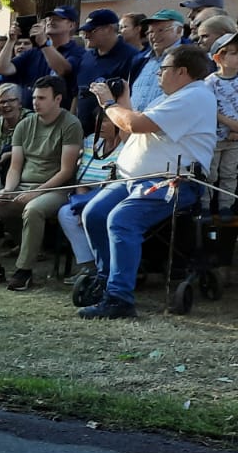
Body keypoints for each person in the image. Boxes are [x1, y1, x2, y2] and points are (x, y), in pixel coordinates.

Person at [79, 45, 216, 319]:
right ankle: (106, 279)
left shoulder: (195, 96)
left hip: (174, 182)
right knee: (94, 213)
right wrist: (123, 101)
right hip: (136, 179)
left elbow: (136, 124)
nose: (158, 75)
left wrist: (109, 104)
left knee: (122, 219)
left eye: (163, 69)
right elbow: (132, 132)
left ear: (181, 72)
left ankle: (119, 298)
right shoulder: (171, 98)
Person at [0, 75, 83, 291]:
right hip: (22, 186)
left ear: (57, 99)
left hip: (57, 189)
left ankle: (24, 270)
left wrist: (36, 192)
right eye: (35, 97)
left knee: (33, 209)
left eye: (42, 98)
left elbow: (66, 171)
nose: (36, 102)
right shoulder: (25, 125)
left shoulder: (70, 124)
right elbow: (15, 167)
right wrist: (8, 189)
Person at [57, 116, 123, 283]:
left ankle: (111, 268)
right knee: (66, 213)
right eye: (98, 120)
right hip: (89, 194)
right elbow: (81, 179)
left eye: (105, 121)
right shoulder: (91, 141)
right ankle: (90, 267)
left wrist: (89, 206)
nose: (99, 124)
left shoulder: (128, 145)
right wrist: (81, 205)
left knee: (97, 214)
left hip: (115, 195)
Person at [74, 9, 138, 132]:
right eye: (85, 32)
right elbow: (78, 92)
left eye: (91, 31)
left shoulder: (131, 57)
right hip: (82, 130)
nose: (86, 36)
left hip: (111, 133)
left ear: (109, 29)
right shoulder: (87, 57)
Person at [208, 32, 238, 222]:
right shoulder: (210, 82)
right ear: (219, 58)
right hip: (214, 139)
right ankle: (205, 206)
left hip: (234, 140)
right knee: (210, 174)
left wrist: (235, 130)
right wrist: (229, 124)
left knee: (230, 173)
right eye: (233, 53)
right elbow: (207, 108)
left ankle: (226, 206)